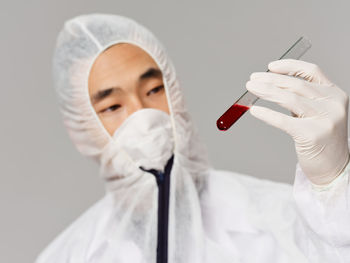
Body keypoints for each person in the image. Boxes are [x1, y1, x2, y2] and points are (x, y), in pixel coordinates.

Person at [36, 13, 350, 263]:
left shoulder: (282, 220)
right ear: (80, 129)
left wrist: (333, 185)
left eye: (154, 90)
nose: (143, 116)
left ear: (176, 92)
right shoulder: (68, 255)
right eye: (113, 106)